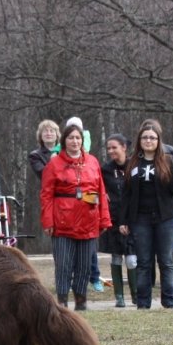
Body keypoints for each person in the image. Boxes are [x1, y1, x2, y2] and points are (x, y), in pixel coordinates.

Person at [40, 123, 111, 311]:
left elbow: (101, 191)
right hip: (62, 221)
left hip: (89, 220)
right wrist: (48, 221)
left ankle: (81, 302)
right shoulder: (54, 164)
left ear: (83, 140)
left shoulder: (93, 162)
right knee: (63, 265)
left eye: (78, 138)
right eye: (71, 138)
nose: (75, 141)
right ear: (64, 141)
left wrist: (104, 219)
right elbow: (46, 194)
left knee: (84, 266)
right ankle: (62, 303)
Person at [119, 121, 173, 309]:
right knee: (143, 263)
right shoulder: (132, 163)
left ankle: (169, 302)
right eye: (145, 137)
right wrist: (123, 220)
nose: (149, 140)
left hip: (166, 218)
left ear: (159, 141)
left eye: (152, 137)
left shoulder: (168, 161)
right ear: (140, 140)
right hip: (140, 219)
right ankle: (143, 303)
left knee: (166, 262)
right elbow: (126, 194)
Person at [100, 134, 137, 307]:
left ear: (124, 147)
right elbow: (97, 186)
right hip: (113, 219)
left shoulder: (135, 166)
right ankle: (119, 297)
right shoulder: (106, 169)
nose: (111, 151)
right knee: (116, 258)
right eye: (108, 148)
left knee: (131, 260)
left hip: (132, 219)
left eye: (114, 147)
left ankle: (136, 295)